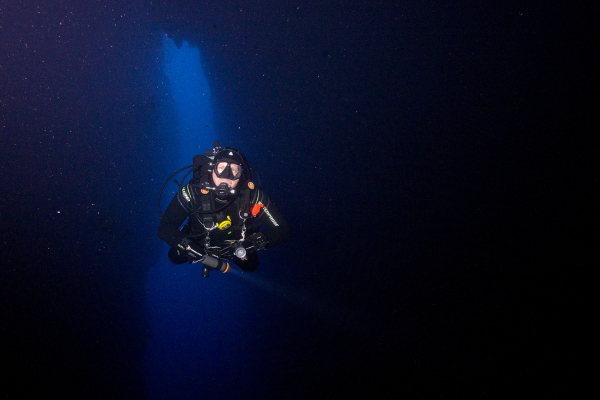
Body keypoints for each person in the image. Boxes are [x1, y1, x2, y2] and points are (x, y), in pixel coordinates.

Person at [158, 144, 290, 275]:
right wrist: (189, 247)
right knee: (174, 257)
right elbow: (164, 228)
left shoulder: (252, 195)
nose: (226, 175)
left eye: (234, 170)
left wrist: (252, 244)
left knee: (251, 266)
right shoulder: (193, 191)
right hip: (197, 242)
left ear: (241, 174)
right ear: (212, 169)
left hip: (235, 246)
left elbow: (283, 229)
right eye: (221, 168)